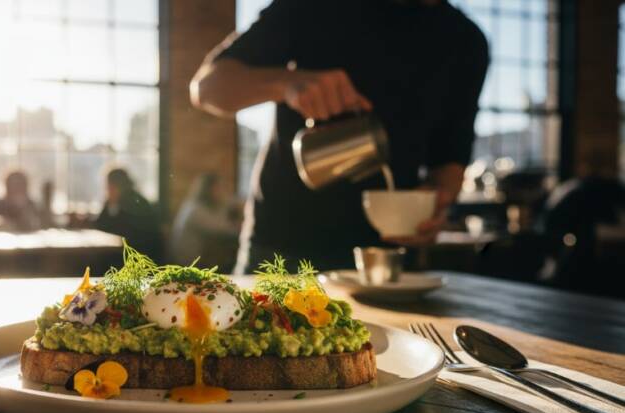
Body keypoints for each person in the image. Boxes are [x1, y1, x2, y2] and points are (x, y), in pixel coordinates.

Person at [190, 0, 489, 272]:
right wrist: (285, 84)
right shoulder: (314, 6)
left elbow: (451, 159)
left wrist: (436, 205)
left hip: (387, 260)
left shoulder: (466, 42)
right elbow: (207, 88)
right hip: (283, 248)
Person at [170, 173, 242, 267]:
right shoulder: (196, 211)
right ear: (210, 190)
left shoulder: (195, 205)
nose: (222, 191)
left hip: (192, 261)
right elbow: (225, 229)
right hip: (187, 265)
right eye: (219, 188)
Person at [95, 167, 163, 260]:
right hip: (127, 253)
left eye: (109, 187)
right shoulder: (113, 201)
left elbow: (121, 232)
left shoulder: (134, 202)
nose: (107, 190)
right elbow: (100, 224)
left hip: (142, 257)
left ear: (117, 186)